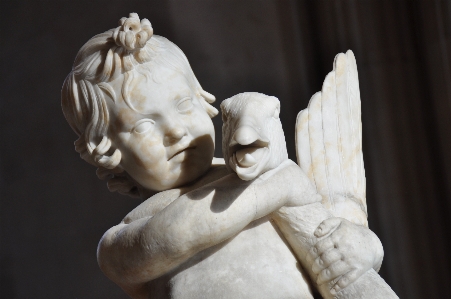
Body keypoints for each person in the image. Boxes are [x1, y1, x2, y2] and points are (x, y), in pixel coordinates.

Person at [62, 13, 383, 299]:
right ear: (108, 154)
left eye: (184, 106)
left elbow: (333, 239)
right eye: (144, 125)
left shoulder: (259, 173)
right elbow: (178, 233)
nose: (175, 130)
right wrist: (281, 185)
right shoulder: (122, 239)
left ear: (204, 103)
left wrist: (362, 247)